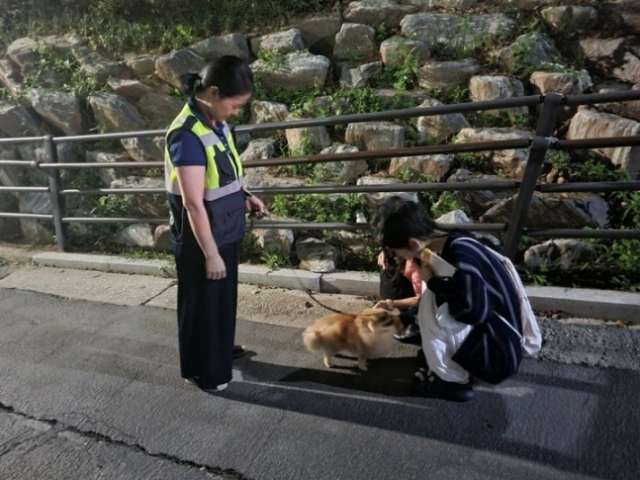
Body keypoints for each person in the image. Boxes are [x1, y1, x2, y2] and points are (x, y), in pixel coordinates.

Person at [371, 196, 541, 402]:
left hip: (498, 350)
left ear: (413, 243)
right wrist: (407, 319)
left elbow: (472, 311)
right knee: (430, 304)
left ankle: (454, 382)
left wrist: (432, 282)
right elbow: (460, 293)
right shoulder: (449, 240)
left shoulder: (458, 255)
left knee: (432, 309)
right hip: (498, 331)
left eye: (397, 251)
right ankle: (447, 361)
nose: (398, 256)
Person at [165, 55, 266, 394]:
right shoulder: (187, 134)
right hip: (201, 237)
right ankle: (204, 370)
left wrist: (245, 196)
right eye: (234, 105)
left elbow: (223, 172)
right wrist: (210, 253)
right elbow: (193, 202)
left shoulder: (214, 122)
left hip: (224, 226)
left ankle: (219, 350)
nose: (236, 112)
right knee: (202, 305)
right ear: (213, 92)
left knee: (221, 301)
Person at [374, 249, 423, 345]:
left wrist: (388, 304)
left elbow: (423, 299)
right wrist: (386, 252)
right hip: (405, 298)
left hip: (423, 304)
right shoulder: (392, 253)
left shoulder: (412, 265)